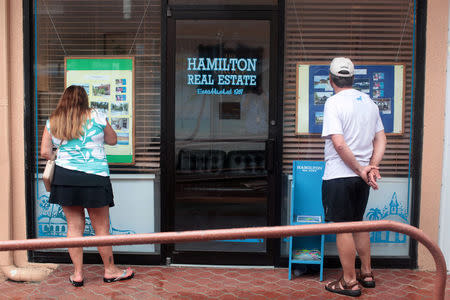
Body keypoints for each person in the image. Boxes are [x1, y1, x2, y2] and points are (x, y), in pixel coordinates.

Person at [40, 85, 135, 287]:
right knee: (101, 228)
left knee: (74, 227)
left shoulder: (54, 120)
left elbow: (45, 152)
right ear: (85, 99)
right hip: (94, 177)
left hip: (65, 178)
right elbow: (113, 139)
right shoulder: (97, 115)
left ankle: (77, 274)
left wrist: (62, 154)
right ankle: (110, 271)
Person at [321, 58, 386, 297]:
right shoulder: (368, 102)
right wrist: (372, 166)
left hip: (339, 175)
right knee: (359, 223)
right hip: (361, 178)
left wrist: (361, 168)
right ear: (352, 79)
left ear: (331, 80)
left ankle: (349, 282)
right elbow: (381, 138)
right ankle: (367, 273)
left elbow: (338, 144)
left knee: (343, 228)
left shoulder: (333, 102)